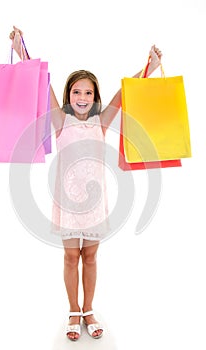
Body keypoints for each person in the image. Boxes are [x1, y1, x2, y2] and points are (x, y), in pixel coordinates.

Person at [10, 26, 162, 341]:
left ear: (95, 98)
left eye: (88, 93)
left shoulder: (100, 122)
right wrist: (20, 48)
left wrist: (150, 67)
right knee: (70, 257)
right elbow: (43, 83)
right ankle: (73, 310)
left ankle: (89, 309)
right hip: (67, 204)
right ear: (68, 96)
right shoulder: (59, 120)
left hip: (94, 205)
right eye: (76, 92)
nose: (82, 97)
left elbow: (124, 94)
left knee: (90, 257)